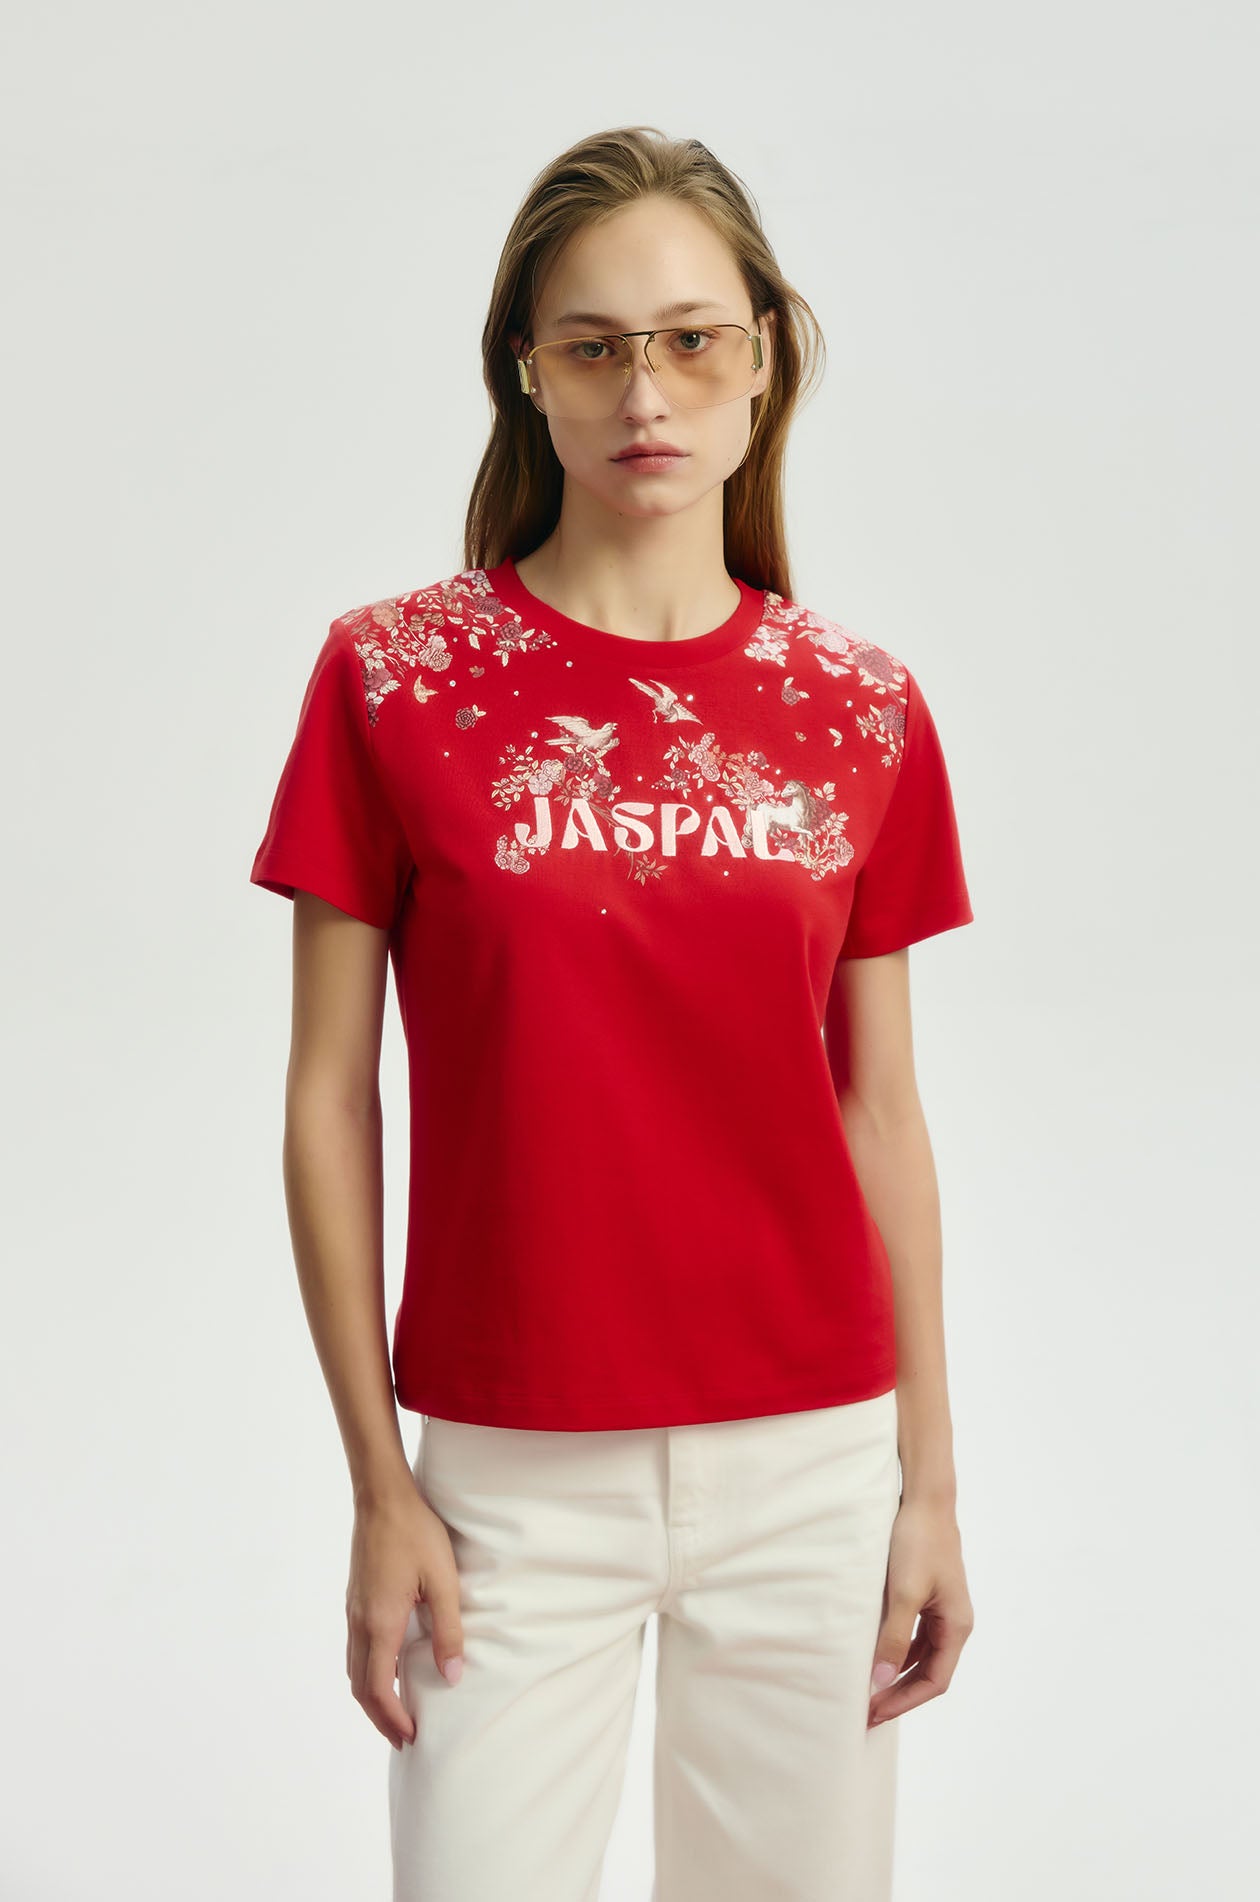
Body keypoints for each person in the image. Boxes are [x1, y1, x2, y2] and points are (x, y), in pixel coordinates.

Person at [249, 123, 976, 1902]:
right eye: (595, 346)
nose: (647, 392)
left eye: (692, 340)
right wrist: (379, 1481)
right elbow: (330, 1098)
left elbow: (880, 1107)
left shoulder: (860, 706)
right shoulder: (393, 678)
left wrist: (930, 1484)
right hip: (506, 1472)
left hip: (812, 1458)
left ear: (763, 360)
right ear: (528, 369)